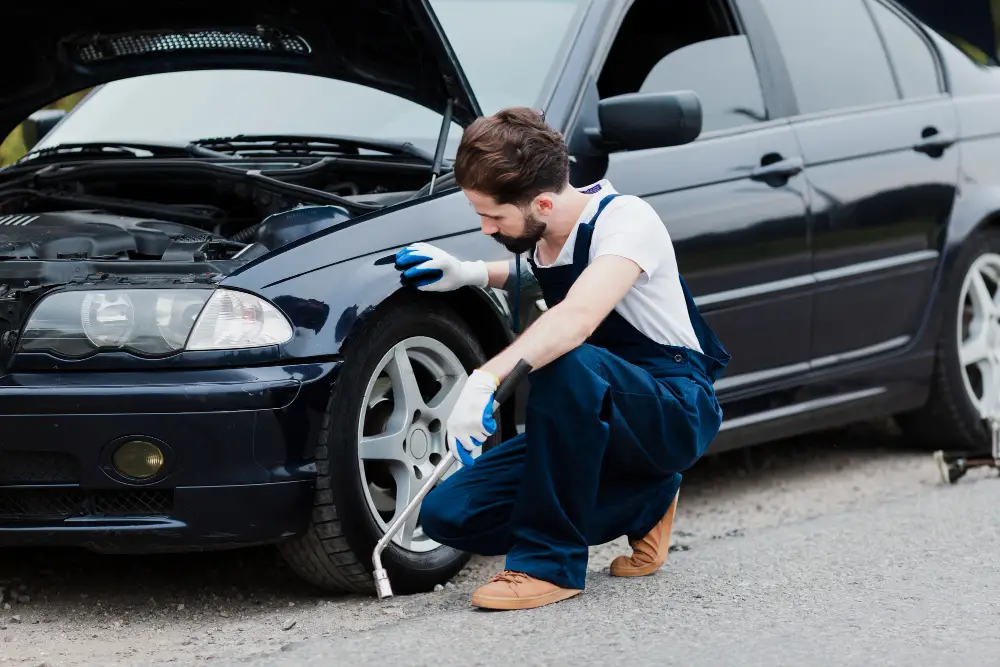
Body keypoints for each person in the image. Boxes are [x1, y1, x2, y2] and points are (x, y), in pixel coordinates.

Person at [393, 107, 730, 611]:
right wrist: (468, 273)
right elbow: (545, 274)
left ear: (544, 203)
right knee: (448, 514)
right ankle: (647, 499)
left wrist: (486, 378)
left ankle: (548, 565)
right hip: (594, 413)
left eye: (493, 216)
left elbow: (578, 315)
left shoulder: (626, 220)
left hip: (671, 408)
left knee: (562, 359)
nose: (486, 228)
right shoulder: (544, 236)